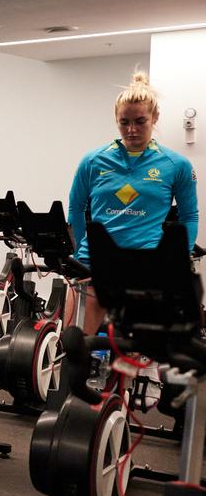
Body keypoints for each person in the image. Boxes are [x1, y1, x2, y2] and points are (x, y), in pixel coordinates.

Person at [67, 73, 198, 335]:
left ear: (155, 118)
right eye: (124, 122)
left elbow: (189, 215)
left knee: (133, 352)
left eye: (140, 121)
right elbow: (75, 209)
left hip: (146, 264)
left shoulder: (176, 165)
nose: (132, 130)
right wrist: (85, 247)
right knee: (75, 345)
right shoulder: (93, 161)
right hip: (93, 263)